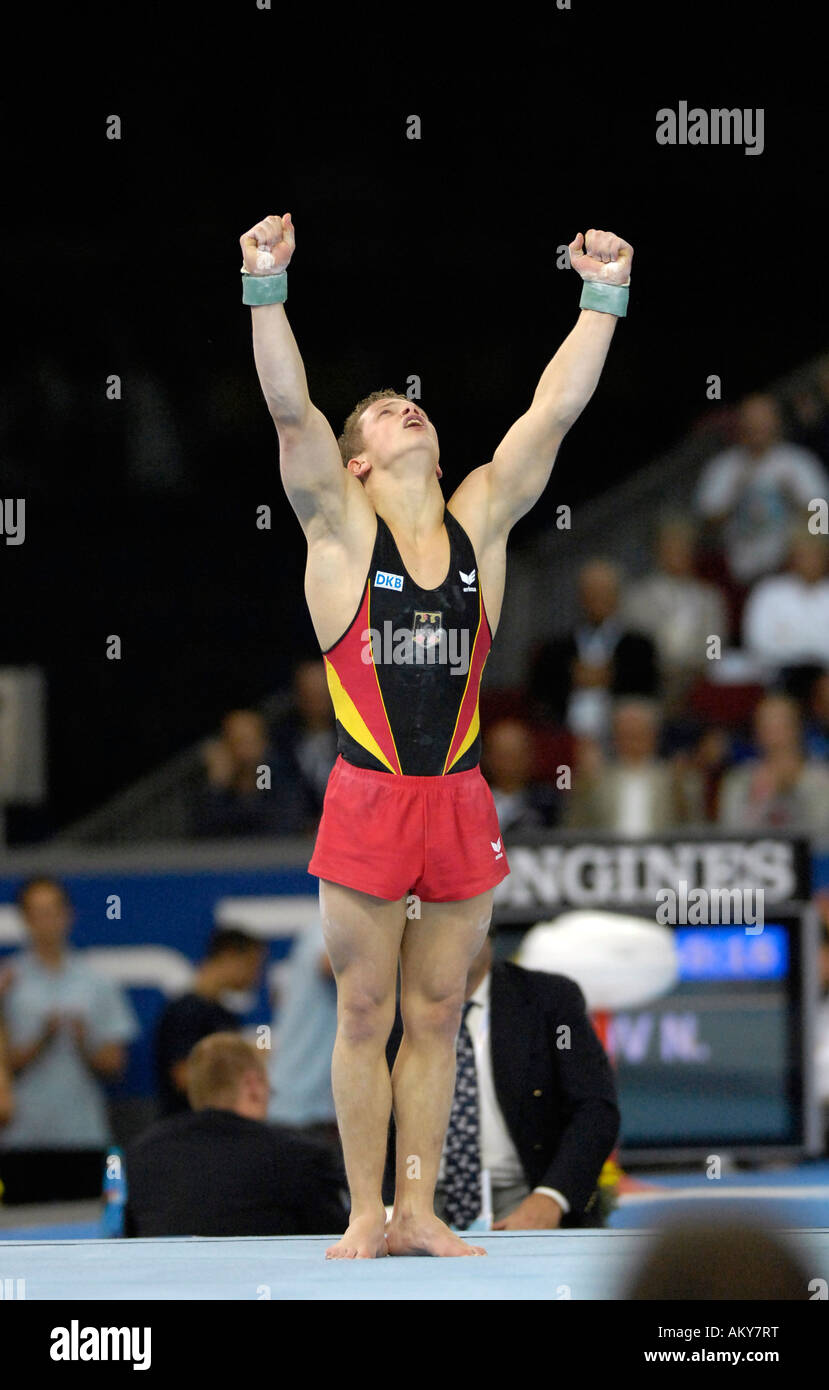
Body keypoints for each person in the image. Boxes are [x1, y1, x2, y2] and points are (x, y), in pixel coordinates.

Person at [242, 209, 633, 1258]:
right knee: (363, 1011)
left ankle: (419, 1207)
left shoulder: (484, 519)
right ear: (357, 461)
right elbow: (289, 415)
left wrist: (603, 295)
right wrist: (265, 286)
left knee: (436, 1015)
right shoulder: (336, 524)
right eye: (379, 412)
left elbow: (552, 415)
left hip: (458, 797)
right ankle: (365, 1210)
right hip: (371, 794)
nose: (402, 411)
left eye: (411, 406)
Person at [383, 924, 620, 1229]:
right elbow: (363, 1117)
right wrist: (384, 1207)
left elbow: (595, 1108)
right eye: (435, 929)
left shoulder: (551, 1002)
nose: (447, 944)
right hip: (414, 1203)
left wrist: (552, 1197)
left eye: (461, 926)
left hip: (526, 1196)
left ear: (488, 932)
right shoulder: (385, 1013)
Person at [124, 1033, 348, 1237]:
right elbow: (336, 1243)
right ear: (253, 1085)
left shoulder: (139, 1155)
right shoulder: (301, 1157)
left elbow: (127, 1239)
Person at [0, 877, 139, 1203]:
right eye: (37, 913)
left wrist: (82, 1040)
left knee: (88, 1232)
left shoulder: (96, 983)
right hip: (20, 1138)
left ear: (68, 915)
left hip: (83, 1135)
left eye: (53, 911)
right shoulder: (7, 983)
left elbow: (115, 1065)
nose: (46, 922)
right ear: (24, 919)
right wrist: (41, 1040)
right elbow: (5, 1065)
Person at [694, 392, 828, 587]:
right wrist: (733, 497)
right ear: (740, 424)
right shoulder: (722, 468)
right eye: (751, 420)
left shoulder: (798, 462)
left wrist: (796, 500)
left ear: (776, 421)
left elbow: (822, 518)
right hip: (742, 574)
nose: (758, 427)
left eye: (763, 419)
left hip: (791, 572)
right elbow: (704, 527)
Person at [529, 558, 659, 740]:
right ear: (580, 597)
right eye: (591, 592)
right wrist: (571, 676)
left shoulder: (639, 647)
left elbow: (647, 691)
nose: (598, 599)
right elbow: (540, 694)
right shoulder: (555, 649)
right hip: (564, 736)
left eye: (605, 592)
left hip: (620, 741)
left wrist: (610, 676)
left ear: (617, 595)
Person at [154, 925, 267, 1116]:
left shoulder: (224, 1015)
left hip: (220, 1126)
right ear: (229, 957)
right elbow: (183, 1077)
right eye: (253, 965)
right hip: (185, 1129)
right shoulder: (184, 1012)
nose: (257, 977)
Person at [622, 516, 728, 711]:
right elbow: (636, 647)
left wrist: (697, 668)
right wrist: (666, 668)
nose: (678, 554)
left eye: (684, 548)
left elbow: (716, 645)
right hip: (655, 680)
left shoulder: (710, 598)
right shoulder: (638, 597)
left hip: (698, 680)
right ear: (658, 552)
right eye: (671, 548)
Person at [566, 699, 705, 833]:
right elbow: (573, 824)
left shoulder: (671, 776)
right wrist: (582, 783)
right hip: (609, 853)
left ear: (653, 736)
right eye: (626, 735)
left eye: (639, 734)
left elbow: (694, 824)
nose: (632, 742)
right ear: (615, 738)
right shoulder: (598, 777)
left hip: (660, 852)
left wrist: (680, 787)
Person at [717, 693, 829, 835]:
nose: (773, 735)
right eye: (765, 726)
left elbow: (823, 837)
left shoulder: (822, 777)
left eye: (781, 725)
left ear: (798, 728)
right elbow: (730, 837)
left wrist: (794, 788)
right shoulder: (739, 779)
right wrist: (758, 798)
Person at [193, 708, 313, 837]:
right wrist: (216, 788)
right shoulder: (215, 790)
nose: (244, 751)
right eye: (236, 743)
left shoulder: (280, 784)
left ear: (263, 744)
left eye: (250, 742)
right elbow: (203, 835)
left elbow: (274, 828)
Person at [741, 530, 829, 676]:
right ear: (792, 558)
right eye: (804, 556)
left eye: (816, 555)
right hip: (779, 674)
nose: (810, 562)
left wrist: (791, 641)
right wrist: (809, 649)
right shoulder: (768, 591)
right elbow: (758, 643)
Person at [481, 718, 560, 835]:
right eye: (503, 755)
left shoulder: (548, 803)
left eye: (516, 755)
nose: (509, 764)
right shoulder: (472, 802)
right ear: (487, 757)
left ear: (530, 755)